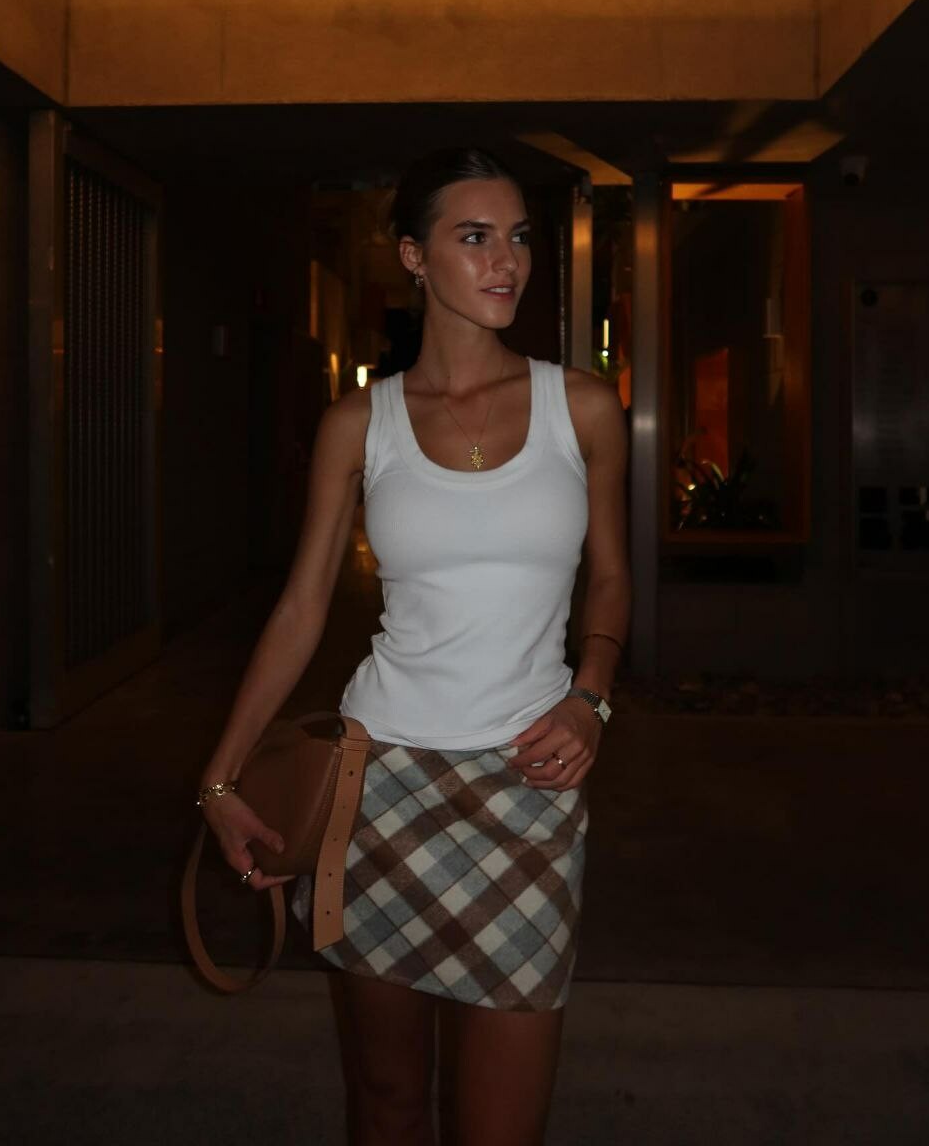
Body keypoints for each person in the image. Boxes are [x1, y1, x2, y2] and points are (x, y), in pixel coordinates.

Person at [197, 147, 631, 1146]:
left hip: (530, 785)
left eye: (517, 237)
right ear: (413, 256)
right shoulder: (361, 422)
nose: (505, 261)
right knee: (387, 1101)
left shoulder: (583, 406)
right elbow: (302, 607)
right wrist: (220, 777)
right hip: (378, 789)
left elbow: (609, 576)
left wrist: (591, 697)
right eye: (473, 237)